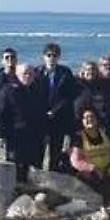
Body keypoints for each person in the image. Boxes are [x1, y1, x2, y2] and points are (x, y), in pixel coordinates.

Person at [0, 64, 48, 182]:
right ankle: (16, 191)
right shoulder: (7, 91)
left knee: (36, 167)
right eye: (25, 74)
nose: (28, 76)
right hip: (15, 137)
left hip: (35, 137)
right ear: (17, 75)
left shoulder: (38, 90)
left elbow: (43, 113)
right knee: (16, 168)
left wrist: (45, 133)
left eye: (31, 74)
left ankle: (33, 192)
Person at [35, 43, 78, 173]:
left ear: (58, 57)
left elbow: (70, 96)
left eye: (54, 55)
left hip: (59, 118)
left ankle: (52, 180)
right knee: (38, 152)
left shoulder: (65, 72)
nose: (51, 58)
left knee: (55, 153)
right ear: (44, 57)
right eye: (49, 55)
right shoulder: (37, 72)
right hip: (40, 119)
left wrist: (54, 111)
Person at [69, 107, 110, 206]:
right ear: (82, 121)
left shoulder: (105, 132)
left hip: (108, 171)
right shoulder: (78, 137)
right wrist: (91, 168)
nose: (89, 119)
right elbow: (75, 160)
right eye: (86, 118)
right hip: (90, 175)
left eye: (92, 116)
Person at [73, 60, 110, 127]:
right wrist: (77, 75)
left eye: (93, 69)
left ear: (97, 71)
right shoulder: (76, 83)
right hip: (79, 121)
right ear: (83, 71)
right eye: (88, 69)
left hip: (98, 121)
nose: (91, 72)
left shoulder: (102, 83)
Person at [0, 48, 20, 116]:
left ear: (16, 60)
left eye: (12, 57)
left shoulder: (21, 78)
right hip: (3, 118)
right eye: (7, 57)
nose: (10, 59)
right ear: (2, 61)